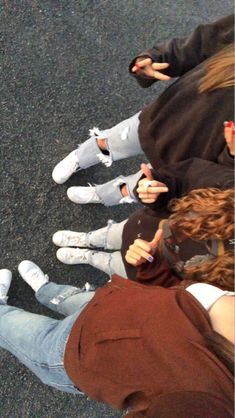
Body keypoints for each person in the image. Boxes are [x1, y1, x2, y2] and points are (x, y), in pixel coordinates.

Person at [0, 262, 234, 417]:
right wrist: (150, 265)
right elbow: (175, 293)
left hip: (79, 354)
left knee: (12, 327)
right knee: (69, 298)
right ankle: (44, 290)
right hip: (109, 303)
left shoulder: (214, 403)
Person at [52, 15, 234, 206]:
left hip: (194, 160)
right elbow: (201, 43)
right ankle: (80, 157)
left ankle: (103, 194)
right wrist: (156, 58)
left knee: (143, 185)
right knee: (113, 140)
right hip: (169, 116)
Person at [53, 187, 234, 291]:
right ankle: (87, 239)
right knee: (112, 234)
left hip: (147, 269)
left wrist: (149, 265)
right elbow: (184, 182)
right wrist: (155, 190)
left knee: (112, 263)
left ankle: (89, 257)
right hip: (144, 227)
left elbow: (190, 295)